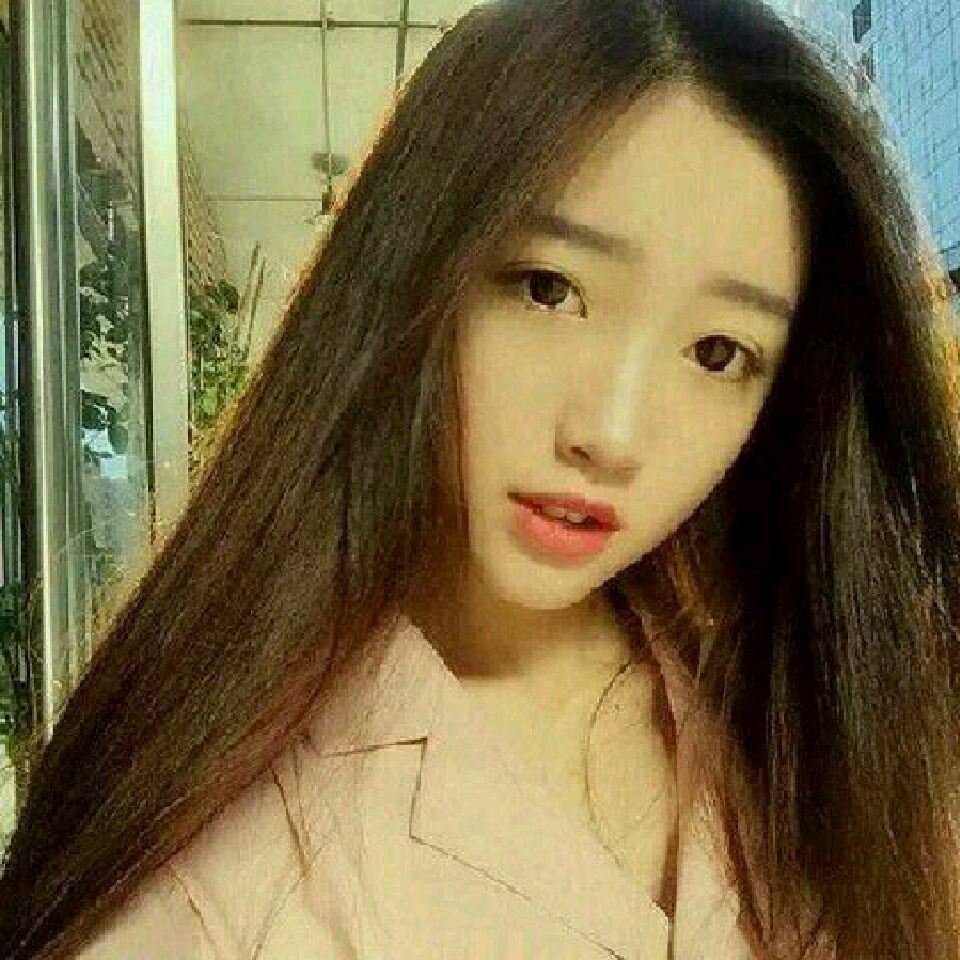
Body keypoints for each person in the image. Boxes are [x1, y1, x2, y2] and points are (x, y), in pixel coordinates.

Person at [3, 0, 959, 956]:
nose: (611, 435)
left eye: (717, 352)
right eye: (550, 290)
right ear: (414, 274)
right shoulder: (214, 868)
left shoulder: (823, 727)